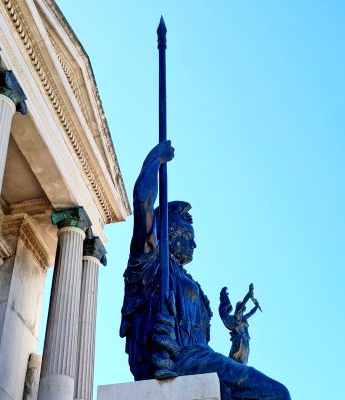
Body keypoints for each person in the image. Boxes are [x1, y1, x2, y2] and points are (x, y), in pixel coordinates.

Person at [121, 141, 290, 399]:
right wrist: (155, 160)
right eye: (188, 236)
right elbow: (143, 202)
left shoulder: (191, 285)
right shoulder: (151, 265)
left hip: (198, 360)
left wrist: (239, 334)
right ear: (169, 232)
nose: (194, 245)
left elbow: (227, 371)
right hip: (178, 361)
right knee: (277, 394)